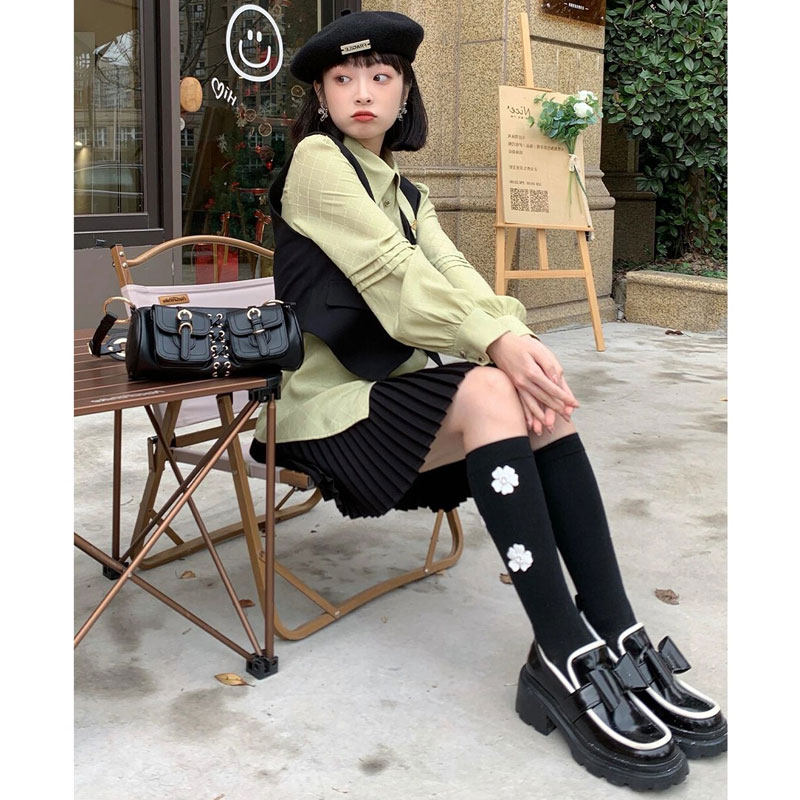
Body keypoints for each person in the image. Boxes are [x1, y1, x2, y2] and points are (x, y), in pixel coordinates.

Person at [250, 9, 726, 791]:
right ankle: (559, 653)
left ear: (405, 92)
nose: (362, 92)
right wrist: (494, 343)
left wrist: (516, 335)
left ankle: (613, 627)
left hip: (389, 405)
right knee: (489, 391)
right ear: (322, 97)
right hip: (322, 413)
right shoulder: (316, 163)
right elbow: (394, 277)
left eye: (381, 76)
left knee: (537, 399)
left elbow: (455, 273)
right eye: (342, 79)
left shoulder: (409, 193)